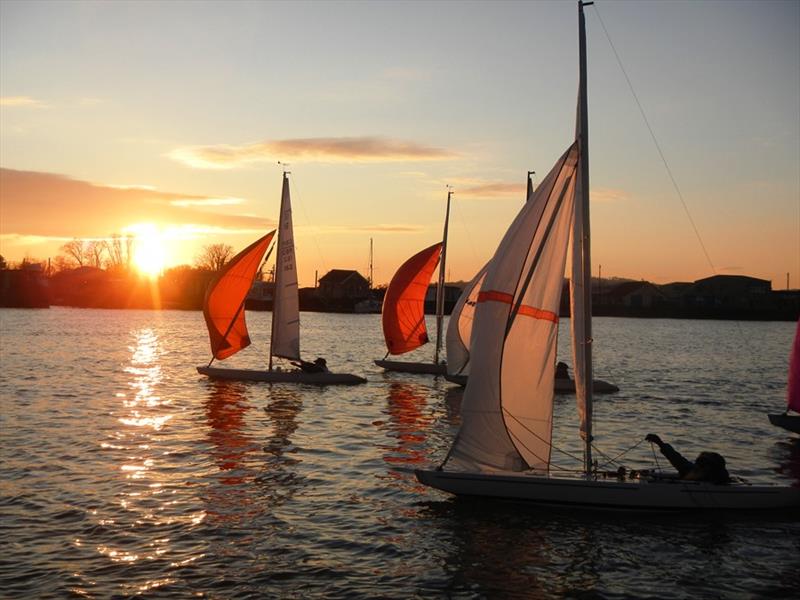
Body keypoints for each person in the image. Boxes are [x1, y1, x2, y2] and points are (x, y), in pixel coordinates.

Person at [645, 434, 730, 484]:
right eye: (698, 463)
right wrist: (659, 443)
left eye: (702, 464)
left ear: (709, 469)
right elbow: (676, 458)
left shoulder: (714, 478)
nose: (697, 466)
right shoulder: (691, 470)